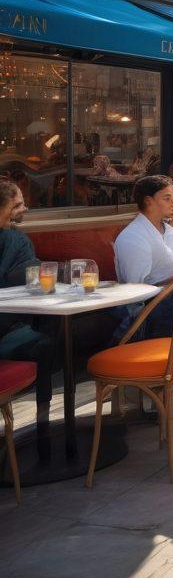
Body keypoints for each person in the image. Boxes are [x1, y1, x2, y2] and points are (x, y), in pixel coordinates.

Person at [0, 181, 58, 423]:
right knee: (46, 342)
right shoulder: (16, 241)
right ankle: (43, 421)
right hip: (7, 328)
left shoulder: (16, 240)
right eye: (17, 205)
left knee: (49, 336)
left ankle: (44, 419)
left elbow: (33, 279)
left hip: (10, 323)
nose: (24, 209)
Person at [113, 175, 173, 338]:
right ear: (148, 201)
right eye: (167, 198)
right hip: (143, 313)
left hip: (172, 303)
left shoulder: (172, 233)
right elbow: (135, 288)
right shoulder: (133, 236)